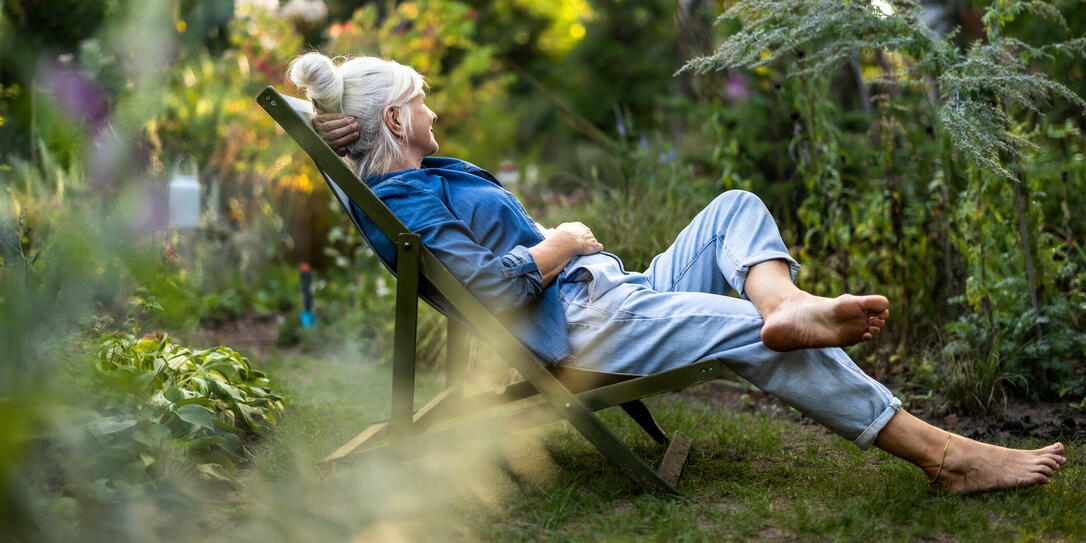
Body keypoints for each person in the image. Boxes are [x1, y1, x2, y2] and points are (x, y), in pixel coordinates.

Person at [288, 52, 1066, 494]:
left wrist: (333, 127)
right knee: (744, 332)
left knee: (733, 206)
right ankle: (946, 456)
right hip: (586, 322)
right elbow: (491, 290)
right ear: (393, 119)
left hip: (610, 291)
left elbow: (355, 166)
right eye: (422, 101)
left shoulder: (414, 175)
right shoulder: (410, 202)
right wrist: (559, 245)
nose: (434, 108)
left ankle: (787, 302)